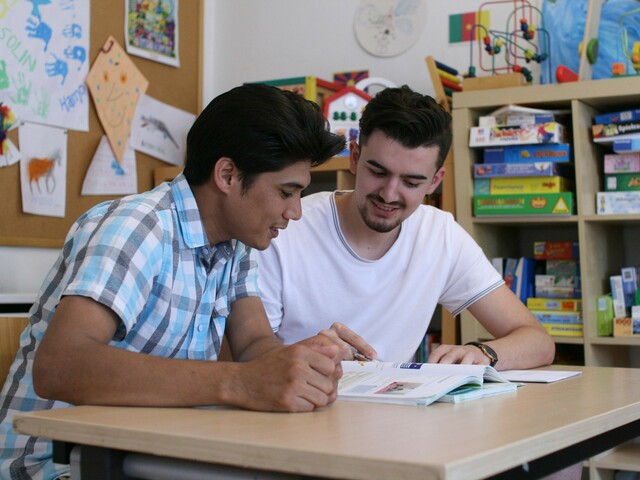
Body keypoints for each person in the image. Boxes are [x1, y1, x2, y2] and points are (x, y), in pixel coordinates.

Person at [0, 83, 353, 480]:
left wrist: (302, 360)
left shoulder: (236, 245)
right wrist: (239, 382)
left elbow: (254, 343)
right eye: (287, 192)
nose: (295, 212)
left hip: (143, 454)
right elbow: (61, 366)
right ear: (228, 174)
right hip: (53, 466)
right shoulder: (137, 228)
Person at [256, 85, 556, 369]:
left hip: (395, 417)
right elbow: (244, 358)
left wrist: (484, 354)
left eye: (411, 182)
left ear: (435, 181)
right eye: (378, 172)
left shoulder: (440, 235)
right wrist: (306, 354)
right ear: (356, 157)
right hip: (298, 414)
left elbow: (538, 342)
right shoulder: (284, 230)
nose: (389, 194)